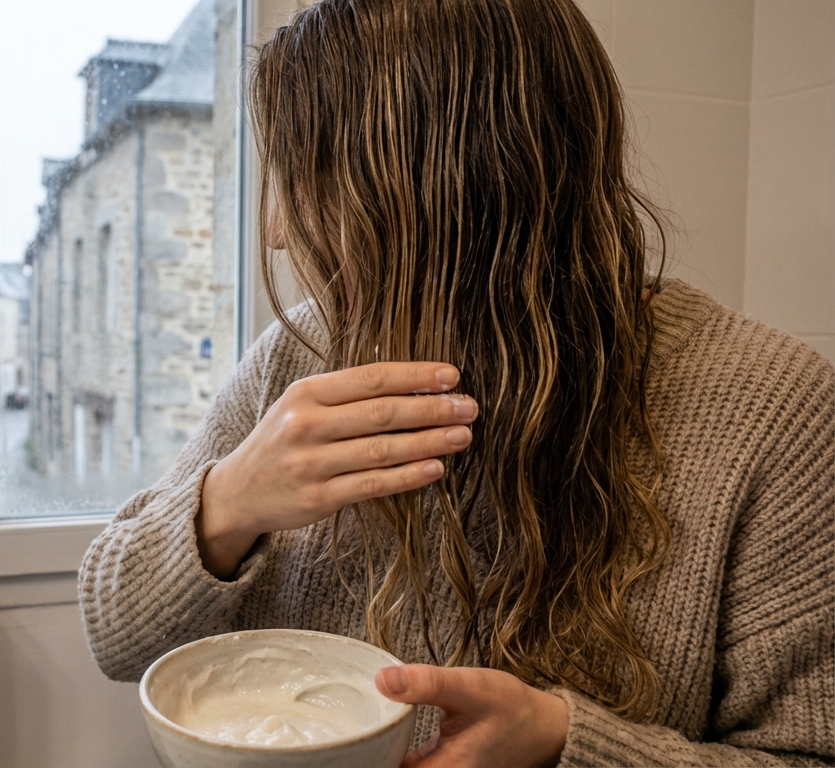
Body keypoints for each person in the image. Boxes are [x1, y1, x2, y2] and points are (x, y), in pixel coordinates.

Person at [77, 0, 835, 765]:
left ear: (449, 187)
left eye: (309, 180)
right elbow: (114, 634)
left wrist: (565, 743)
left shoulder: (774, 412)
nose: (276, 230)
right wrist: (226, 504)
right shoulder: (300, 352)